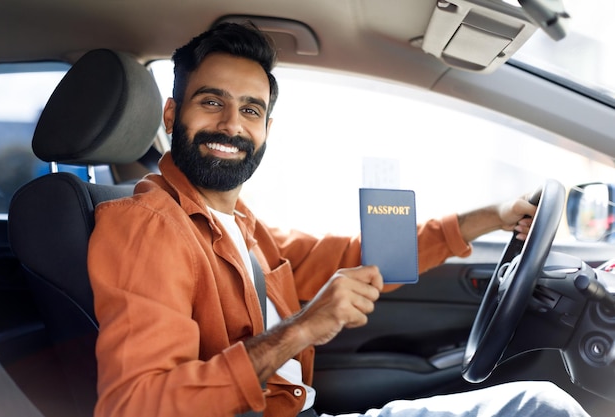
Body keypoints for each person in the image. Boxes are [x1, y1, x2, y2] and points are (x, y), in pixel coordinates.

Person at [88, 22, 590, 417]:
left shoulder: (237, 221)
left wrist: (492, 216)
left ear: (266, 128)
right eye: (212, 102)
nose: (231, 125)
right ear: (173, 116)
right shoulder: (147, 226)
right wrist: (301, 329)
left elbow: (357, 258)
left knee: (541, 405)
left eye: (251, 110)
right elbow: (136, 407)